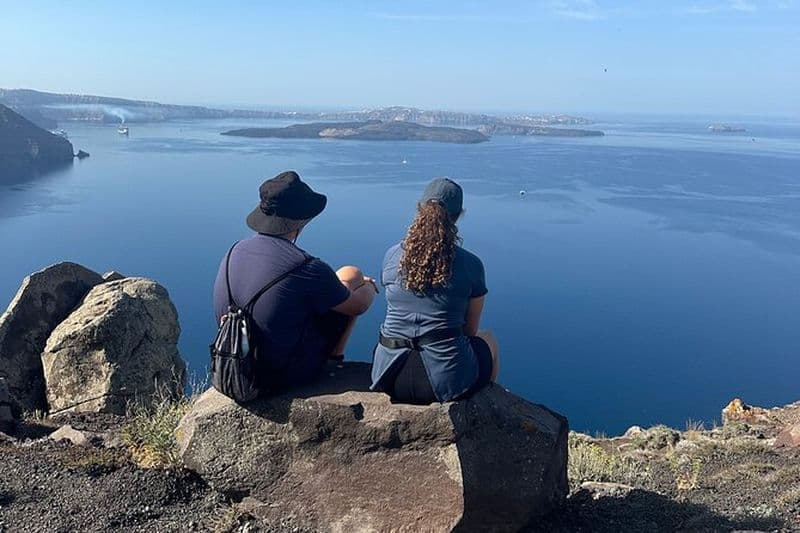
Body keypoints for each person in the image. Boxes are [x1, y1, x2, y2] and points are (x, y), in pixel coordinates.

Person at [213, 170, 377, 392]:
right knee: (350, 278)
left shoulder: (234, 250)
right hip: (275, 377)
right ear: (300, 222)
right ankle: (333, 360)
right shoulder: (306, 267)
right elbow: (358, 306)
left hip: (233, 362)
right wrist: (367, 286)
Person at [371, 177, 499, 404]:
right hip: (446, 382)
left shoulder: (392, 256)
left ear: (420, 209)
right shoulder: (471, 265)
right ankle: (488, 410)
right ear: (458, 216)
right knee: (488, 339)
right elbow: (470, 330)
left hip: (388, 376)